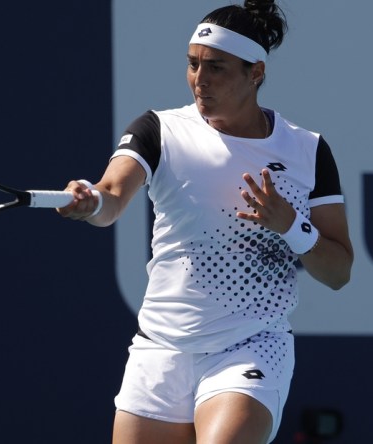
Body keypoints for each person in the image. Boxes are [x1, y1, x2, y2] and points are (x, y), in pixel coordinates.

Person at [58, 1, 353, 442]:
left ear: (255, 73)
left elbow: (339, 272)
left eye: (216, 68)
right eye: (193, 65)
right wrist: (91, 202)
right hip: (160, 349)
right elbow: (112, 196)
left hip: (251, 345)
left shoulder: (307, 151)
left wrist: (292, 225)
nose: (200, 79)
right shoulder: (159, 129)